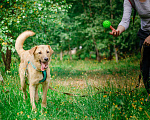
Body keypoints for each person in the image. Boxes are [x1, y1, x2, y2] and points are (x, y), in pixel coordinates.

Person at [110, 0, 150, 101]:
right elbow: (125, 21)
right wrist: (118, 30)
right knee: (145, 69)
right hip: (144, 33)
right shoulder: (130, 0)